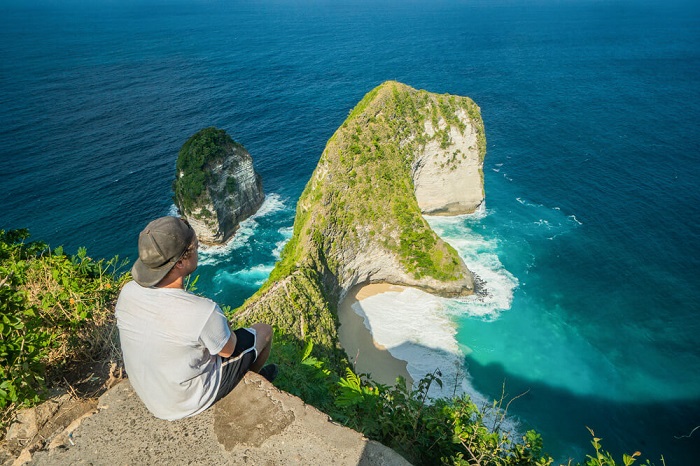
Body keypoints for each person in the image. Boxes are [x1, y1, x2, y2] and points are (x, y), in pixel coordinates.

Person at [115, 216, 277, 421]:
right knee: (263, 331)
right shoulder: (202, 311)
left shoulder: (127, 291)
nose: (199, 248)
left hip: (151, 393)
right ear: (181, 262)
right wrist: (223, 325)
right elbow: (227, 350)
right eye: (196, 246)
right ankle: (249, 381)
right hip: (184, 402)